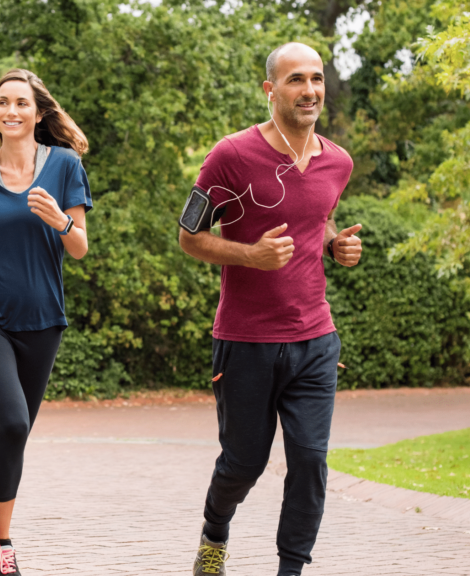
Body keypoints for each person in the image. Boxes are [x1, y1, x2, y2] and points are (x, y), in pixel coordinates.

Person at [178, 42, 363, 576]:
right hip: (245, 341)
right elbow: (189, 236)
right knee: (243, 463)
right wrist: (249, 256)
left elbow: (318, 218)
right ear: (270, 90)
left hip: (314, 338)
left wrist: (334, 245)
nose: (310, 91)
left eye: (317, 79)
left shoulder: (338, 162)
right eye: (296, 80)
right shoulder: (230, 156)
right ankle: (215, 530)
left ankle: (291, 568)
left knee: (309, 461)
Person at [0, 69, 92, 576]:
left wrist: (60, 219)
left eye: (21, 103)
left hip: (42, 318)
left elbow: (79, 247)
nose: (11, 111)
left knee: (18, 432)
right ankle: (3, 543)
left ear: (38, 112)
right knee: (11, 419)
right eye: (2, 103)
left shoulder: (65, 166)